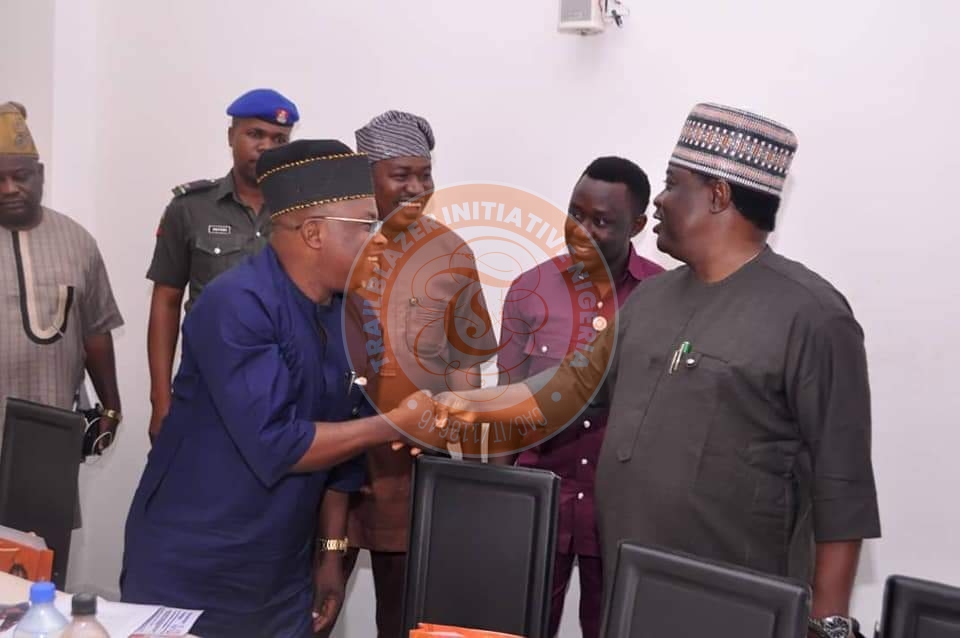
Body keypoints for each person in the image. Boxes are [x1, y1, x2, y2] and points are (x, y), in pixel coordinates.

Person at [434, 103, 881, 637]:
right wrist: (473, 404)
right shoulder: (651, 299)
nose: (661, 201)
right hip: (633, 588)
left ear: (718, 196)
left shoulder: (812, 315)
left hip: (737, 603)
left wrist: (827, 625)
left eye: (672, 184)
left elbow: (842, 487)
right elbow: (572, 386)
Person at [121, 139, 434, 638]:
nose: (378, 241)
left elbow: (343, 450)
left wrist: (329, 554)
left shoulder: (351, 314)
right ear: (314, 232)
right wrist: (395, 425)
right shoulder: (236, 303)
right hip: (196, 567)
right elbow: (279, 443)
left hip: (282, 571)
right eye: (365, 226)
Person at [325, 111, 498, 638]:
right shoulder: (332, 246)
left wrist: (469, 463)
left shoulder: (451, 251)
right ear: (367, 175)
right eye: (401, 175)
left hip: (410, 470)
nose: (417, 188)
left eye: (425, 175)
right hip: (329, 464)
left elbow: (465, 362)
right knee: (310, 606)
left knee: (401, 618)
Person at [495, 157, 663, 638]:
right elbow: (506, 405)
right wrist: (499, 499)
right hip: (539, 500)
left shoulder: (663, 296)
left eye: (602, 221)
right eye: (575, 213)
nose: (582, 231)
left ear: (637, 226)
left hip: (620, 511)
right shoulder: (529, 289)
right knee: (517, 626)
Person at [145, 88, 298, 441]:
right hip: (205, 388)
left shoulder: (303, 214)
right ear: (231, 136)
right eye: (255, 134)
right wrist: (160, 398)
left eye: (279, 139)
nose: (266, 147)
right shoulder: (190, 208)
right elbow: (166, 300)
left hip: (285, 389)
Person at [0, 101, 123, 451]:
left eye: (20, 176)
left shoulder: (77, 241)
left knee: (47, 490)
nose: (9, 188)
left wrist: (111, 406)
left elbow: (96, 331)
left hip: (52, 428)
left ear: (39, 174)